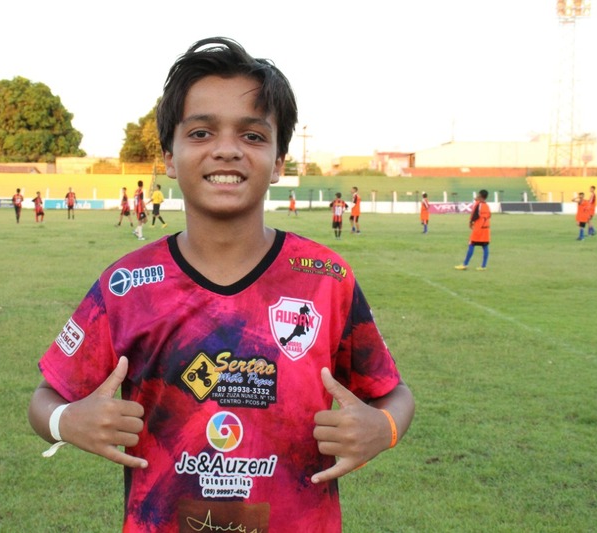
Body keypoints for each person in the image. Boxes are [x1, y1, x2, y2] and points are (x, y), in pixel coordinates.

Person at [28, 37, 414, 532]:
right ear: (170, 157)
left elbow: (394, 393)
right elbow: (45, 398)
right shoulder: (126, 286)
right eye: (201, 132)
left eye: (252, 135)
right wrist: (65, 421)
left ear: (278, 162)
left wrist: (383, 427)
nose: (227, 149)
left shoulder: (326, 279)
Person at [455, 189, 491, 271]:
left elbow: (475, 215)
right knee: (485, 246)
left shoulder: (479, 204)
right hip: (486, 228)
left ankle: (465, 264)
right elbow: (489, 215)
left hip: (478, 228)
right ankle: (483, 266)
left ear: (480, 195)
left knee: (471, 244)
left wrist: (471, 222)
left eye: (478, 194)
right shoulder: (487, 205)